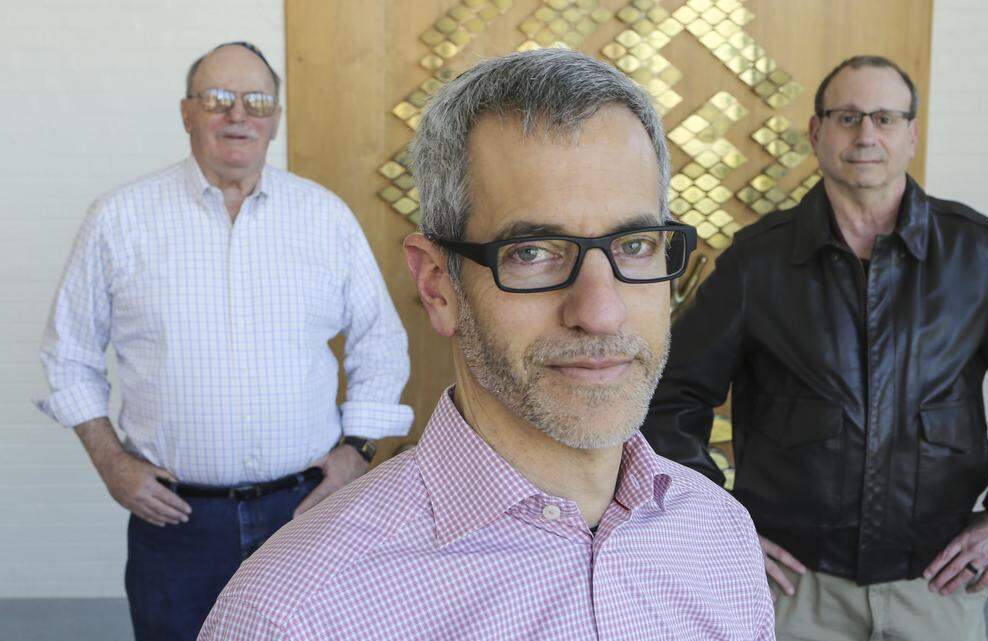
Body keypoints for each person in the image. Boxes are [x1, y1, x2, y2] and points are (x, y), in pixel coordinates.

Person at [198, 49, 776, 641]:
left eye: (634, 246)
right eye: (531, 253)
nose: (601, 312)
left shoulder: (719, 538)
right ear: (437, 285)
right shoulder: (297, 613)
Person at [643, 55, 988, 641]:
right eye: (847, 117)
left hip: (935, 580)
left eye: (884, 117)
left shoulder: (976, 252)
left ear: (911, 134)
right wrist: (719, 528)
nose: (866, 135)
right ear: (816, 132)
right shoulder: (757, 260)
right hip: (794, 588)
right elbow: (672, 396)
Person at [36, 42, 411, 641]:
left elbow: (381, 344)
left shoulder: (325, 218)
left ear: (275, 118)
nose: (238, 115)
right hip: (176, 522)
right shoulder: (119, 219)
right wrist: (112, 462)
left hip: (305, 512)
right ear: (187, 113)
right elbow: (70, 356)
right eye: (217, 99)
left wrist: (355, 454)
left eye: (257, 101)